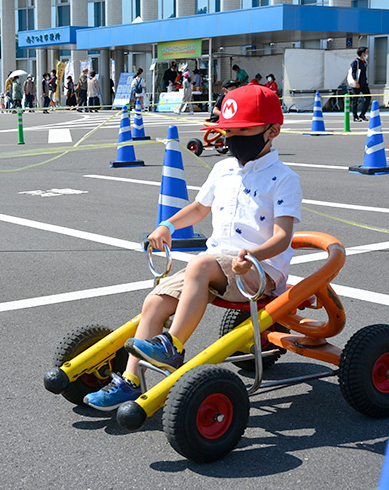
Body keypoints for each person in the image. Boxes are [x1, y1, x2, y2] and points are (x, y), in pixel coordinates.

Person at [83, 85, 302, 410]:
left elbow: (283, 237)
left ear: (273, 131)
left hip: (259, 271)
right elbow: (200, 208)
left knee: (200, 264)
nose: (232, 138)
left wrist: (252, 257)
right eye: (227, 131)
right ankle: (130, 381)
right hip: (217, 266)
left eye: (243, 131)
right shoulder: (224, 169)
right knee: (153, 302)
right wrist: (167, 226)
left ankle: (173, 346)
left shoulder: (284, 178)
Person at [350, 47, 370, 122]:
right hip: (357, 83)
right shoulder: (356, 62)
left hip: (364, 83)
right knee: (355, 100)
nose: (367, 54)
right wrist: (355, 81)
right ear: (362, 53)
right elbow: (353, 72)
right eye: (366, 52)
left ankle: (362, 114)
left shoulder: (365, 62)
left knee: (368, 98)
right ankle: (355, 116)